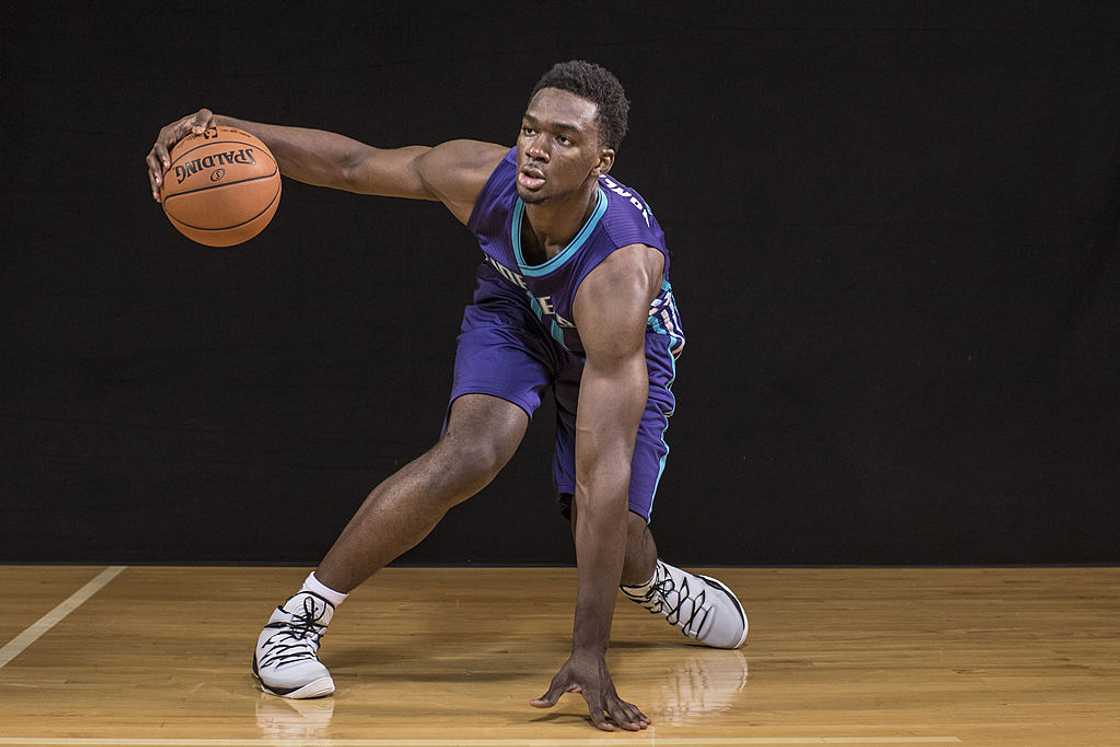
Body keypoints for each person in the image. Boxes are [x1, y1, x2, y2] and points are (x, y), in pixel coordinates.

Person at [145, 60, 747, 733]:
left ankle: (650, 580)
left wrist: (588, 650)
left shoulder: (620, 271)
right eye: (529, 128)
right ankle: (298, 618)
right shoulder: (479, 177)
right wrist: (225, 128)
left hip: (611, 344)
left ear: (601, 161)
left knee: (605, 516)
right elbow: (351, 163)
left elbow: (600, 470)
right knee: (470, 453)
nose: (537, 148)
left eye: (563, 139)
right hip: (517, 311)